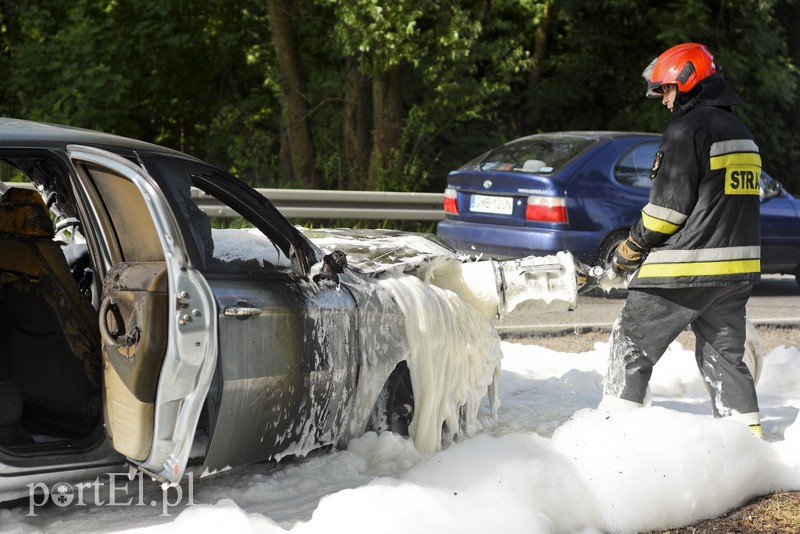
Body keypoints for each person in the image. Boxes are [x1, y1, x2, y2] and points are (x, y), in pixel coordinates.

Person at [599, 43, 763, 437]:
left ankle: (612, 437)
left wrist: (631, 247)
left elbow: (666, 211)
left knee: (630, 345)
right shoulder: (742, 132)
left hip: (684, 270)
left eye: (667, 90)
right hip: (735, 274)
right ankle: (748, 445)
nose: (664, 100)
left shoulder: (687, 129)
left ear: (688, 82)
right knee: (725, 361)